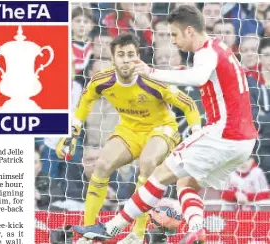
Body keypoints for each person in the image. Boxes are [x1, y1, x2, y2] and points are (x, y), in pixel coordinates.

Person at [73, 5, 257, 244]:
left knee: (158, 175)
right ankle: (197, 231)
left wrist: (152, 71)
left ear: (189, 31)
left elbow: (198, 77)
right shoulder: (219, 47)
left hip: (224, 134)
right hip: (244, 141)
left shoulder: (205, 52)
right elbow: (210, 79)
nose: (173, 41)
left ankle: (110, 228)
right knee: (185, 182)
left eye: (174, 35)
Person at [57, 32, 201, 244]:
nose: (126, 59)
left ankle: (138, 234)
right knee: (102, 165)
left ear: (138, 56)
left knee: (148, 162)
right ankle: (88, 232)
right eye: (121, 54)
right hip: (130, 129)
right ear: (113, 58)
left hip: (162, 129)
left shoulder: (153, 79)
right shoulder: (102, 80)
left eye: (131, 54)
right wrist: (74, 131)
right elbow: (86, 99)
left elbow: (188, 104)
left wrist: (196, 136)